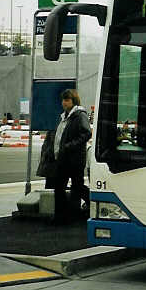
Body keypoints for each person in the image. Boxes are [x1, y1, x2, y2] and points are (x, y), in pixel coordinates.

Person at [52, 89, 91, 224]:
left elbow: (87, 133)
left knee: (77, 187)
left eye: (67, 100)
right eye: (63, 100)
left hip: (74, 158)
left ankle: (90, 203)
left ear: (74, 101)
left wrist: (70, 146)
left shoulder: (80, 115)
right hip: (63, 157)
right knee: (59, 187)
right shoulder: (64, 116)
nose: (64, 103)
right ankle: (61, 216)